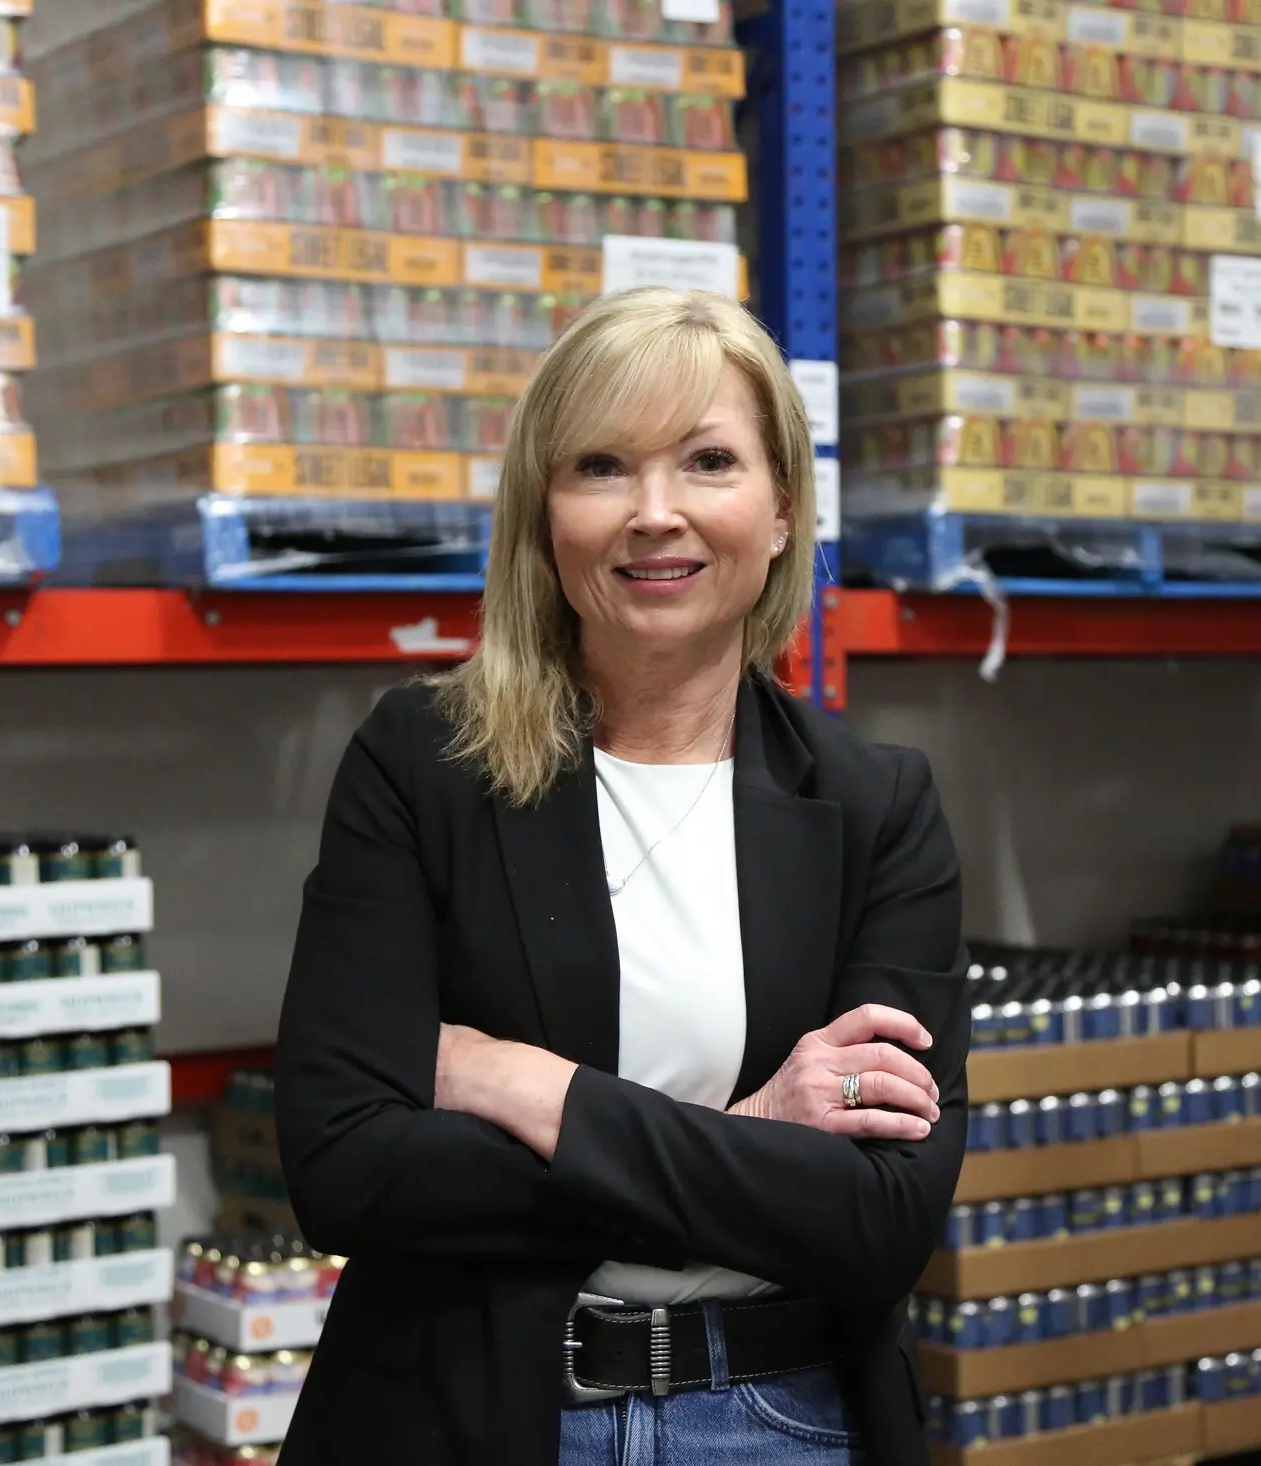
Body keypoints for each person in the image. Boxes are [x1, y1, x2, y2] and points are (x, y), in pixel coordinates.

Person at [273, 287, 970, 1466]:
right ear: (544, 512)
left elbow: (877, 1215)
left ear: (784, 507)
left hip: (776, 1417)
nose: (656, 514)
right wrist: (746, 1133)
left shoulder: (873, 806)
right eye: (600, 465)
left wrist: (525, 1085)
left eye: (708, 461)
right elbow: (346, 1167)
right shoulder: (423, 766)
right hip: (472, 1412)